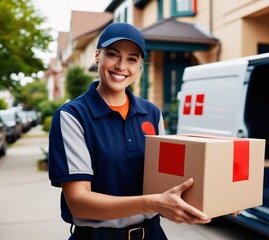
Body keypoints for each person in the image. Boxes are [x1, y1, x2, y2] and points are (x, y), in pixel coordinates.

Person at [48, 22, 210, 240]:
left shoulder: (152, 113)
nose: (121, 66)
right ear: (97, 56)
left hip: (152, 234)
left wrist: (215, 198)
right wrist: (153, 202)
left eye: (132, 59)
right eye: (113, 54)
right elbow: (79, 203)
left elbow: (167, 181)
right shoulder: (72, 116)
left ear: (140, 65)